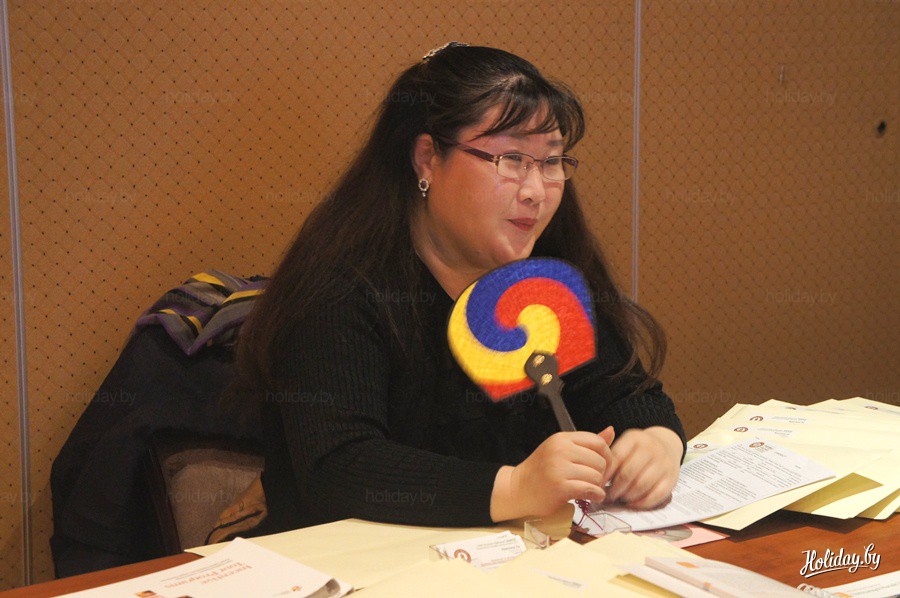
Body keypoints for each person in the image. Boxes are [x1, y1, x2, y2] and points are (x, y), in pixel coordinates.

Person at [231, 43, 685, 533]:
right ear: (427, 158)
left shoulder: (543, 274)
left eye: (552, 161)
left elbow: (623, 392)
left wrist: (655, 441)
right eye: (512, 158)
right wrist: (514, 487)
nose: (535, 190)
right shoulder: (341, 290)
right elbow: (339, 468)